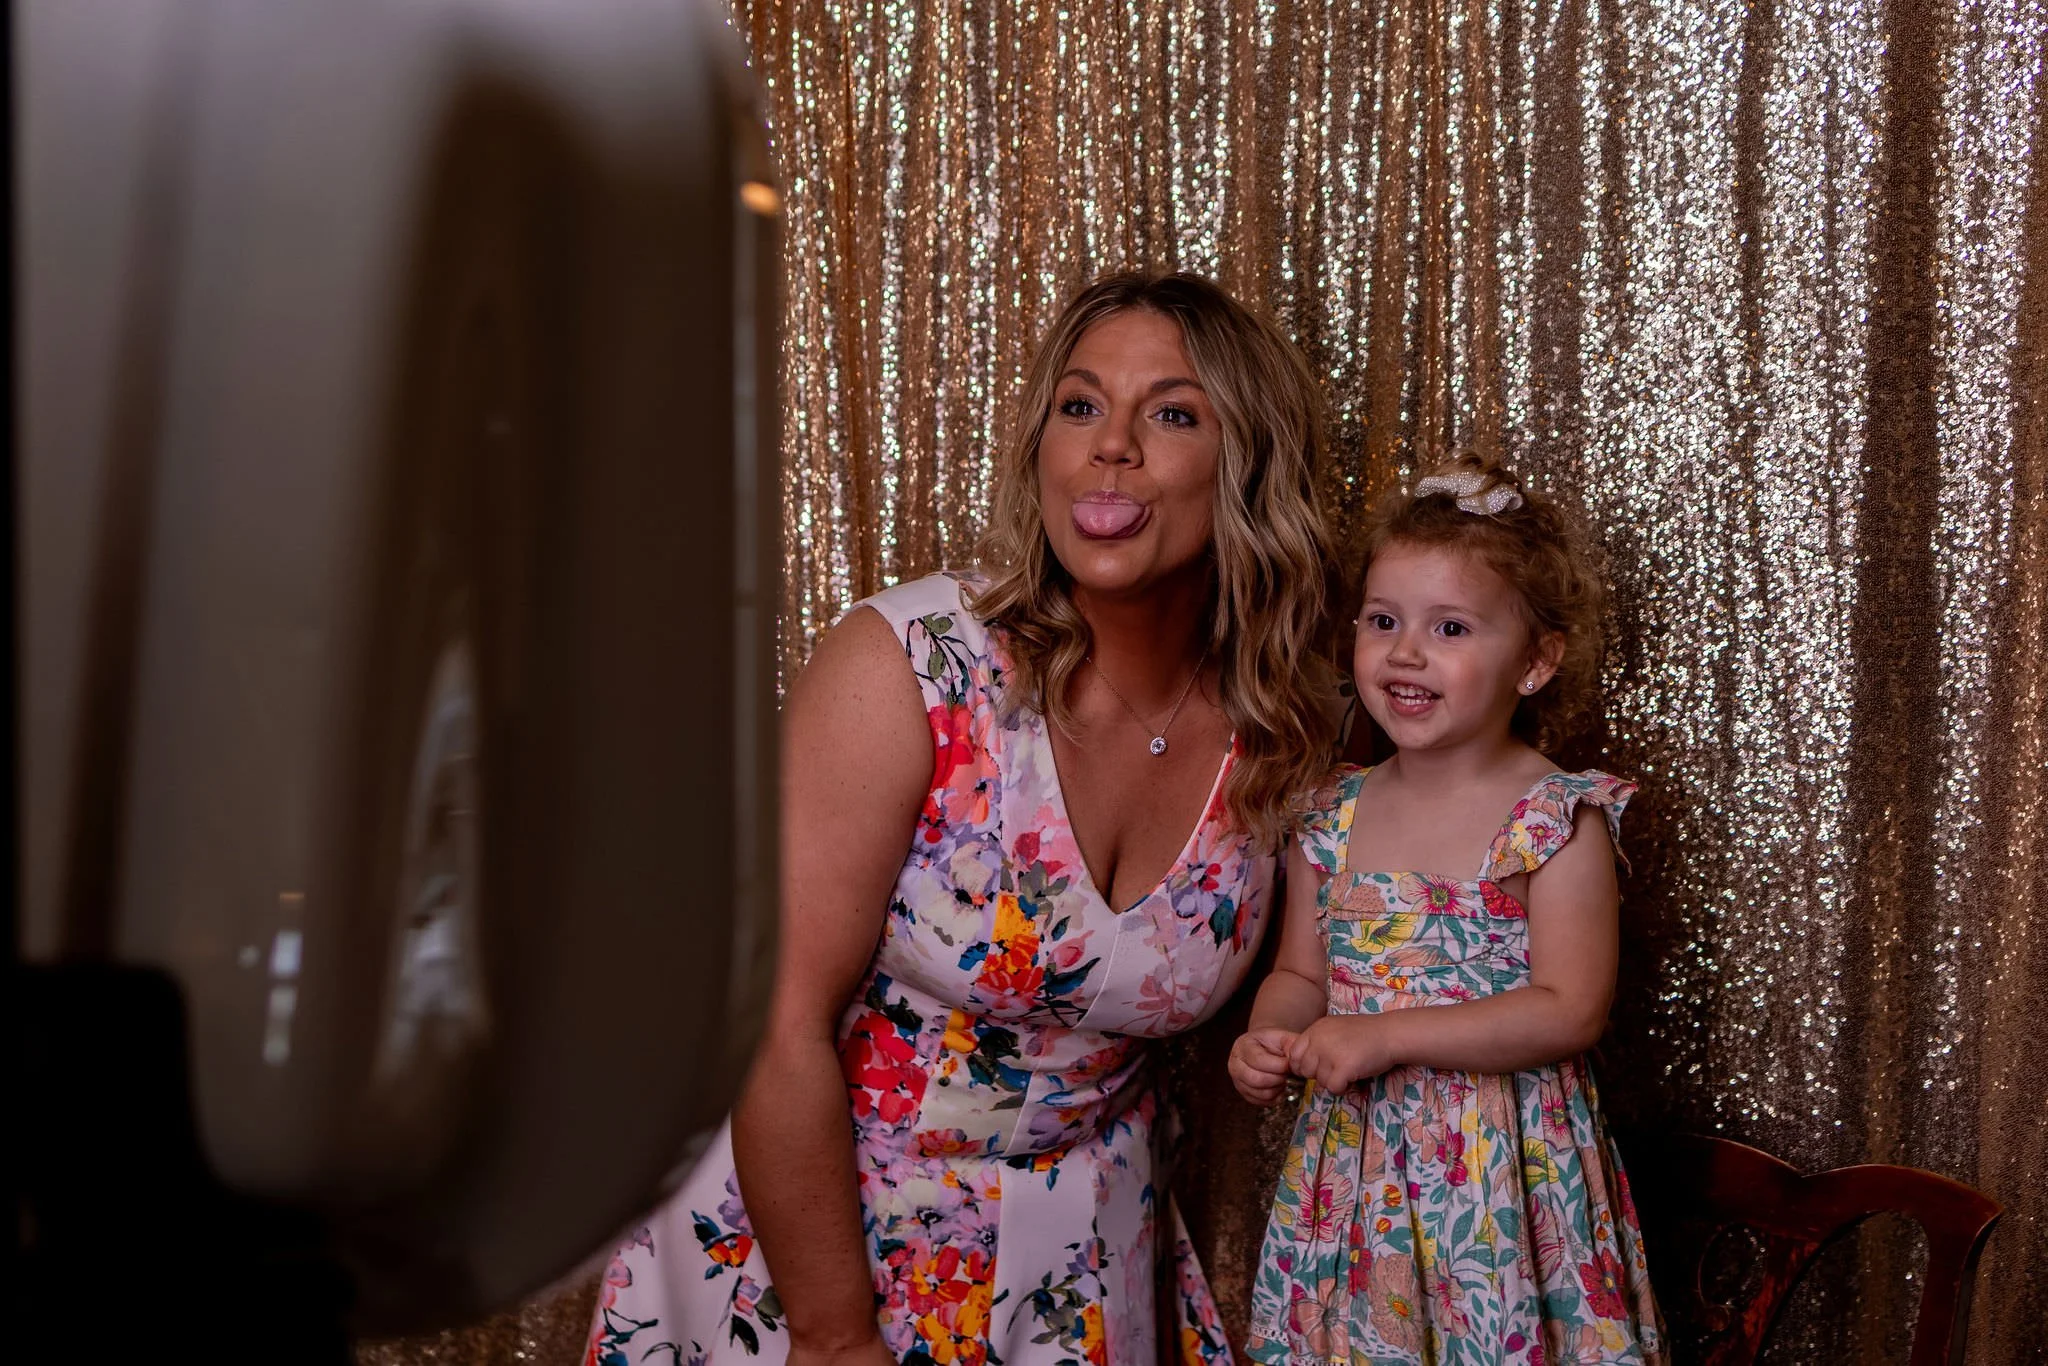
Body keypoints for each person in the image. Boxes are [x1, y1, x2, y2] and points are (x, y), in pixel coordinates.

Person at [588, 270, 1339, 1366]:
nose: (1111, 446)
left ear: (1247, 464)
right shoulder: (911, 666)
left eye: (1172, 415)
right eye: (1079, 406)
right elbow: (772, 1021)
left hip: (1082, 1262)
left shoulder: (1283, 730)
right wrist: (834, 1335)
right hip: (811, 1246)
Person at [1230, 458, 1666, 1364]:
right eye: (1383, 620)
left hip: (1498, 1178)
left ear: (1535, 662)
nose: (1405, 653)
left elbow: (1569, 1009)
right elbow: (1303, 972)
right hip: (1355, 1180)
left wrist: (1387, 1036)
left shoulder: (1554, 820)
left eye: (1451, 627)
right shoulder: (1331, 812)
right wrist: (1271, 1034)